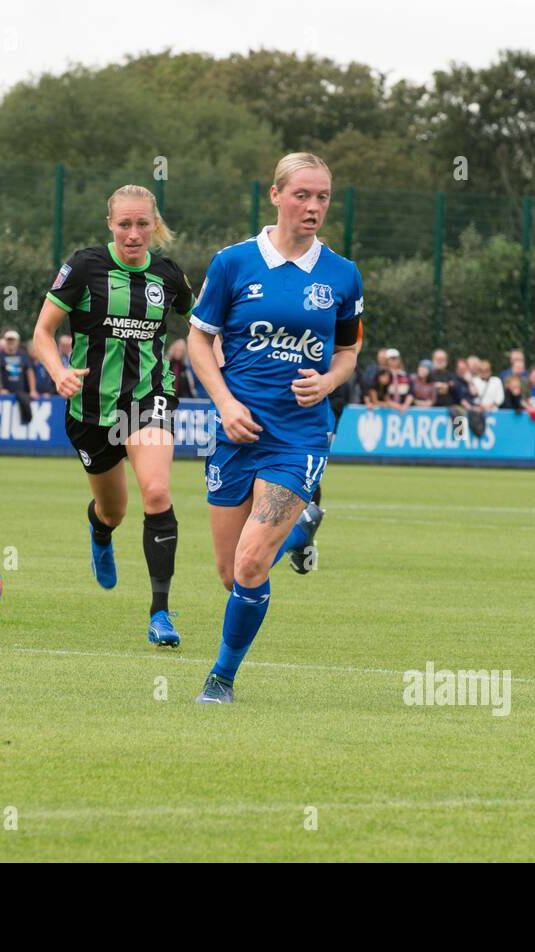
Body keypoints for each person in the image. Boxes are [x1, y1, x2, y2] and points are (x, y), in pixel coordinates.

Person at [186, 152, 362, 704]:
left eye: (323, 197)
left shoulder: (342, 274)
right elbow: (197, 340)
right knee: (228, 573)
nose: (313, 207)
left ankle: (221, 678)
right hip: (235, 433)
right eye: (302, 195)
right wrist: (225, 404)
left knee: (250, 560)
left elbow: (350, 350)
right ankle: (300, 530)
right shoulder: (233, 263)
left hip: (300, 436)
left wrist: (329, 383)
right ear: (276, 195)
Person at [30, 182, 195, 649]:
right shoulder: (84, 267)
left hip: (148, 401)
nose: (134, 233)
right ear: (111, 224)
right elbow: (42, 332)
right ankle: (100, 532)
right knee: (114, 510)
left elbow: (203, 327)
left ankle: (160, 611)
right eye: (124, 223)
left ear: (154, 224)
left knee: (158, 493)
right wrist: (57, 370)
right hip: (89, 411)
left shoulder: (169, 276)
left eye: (143, 223)